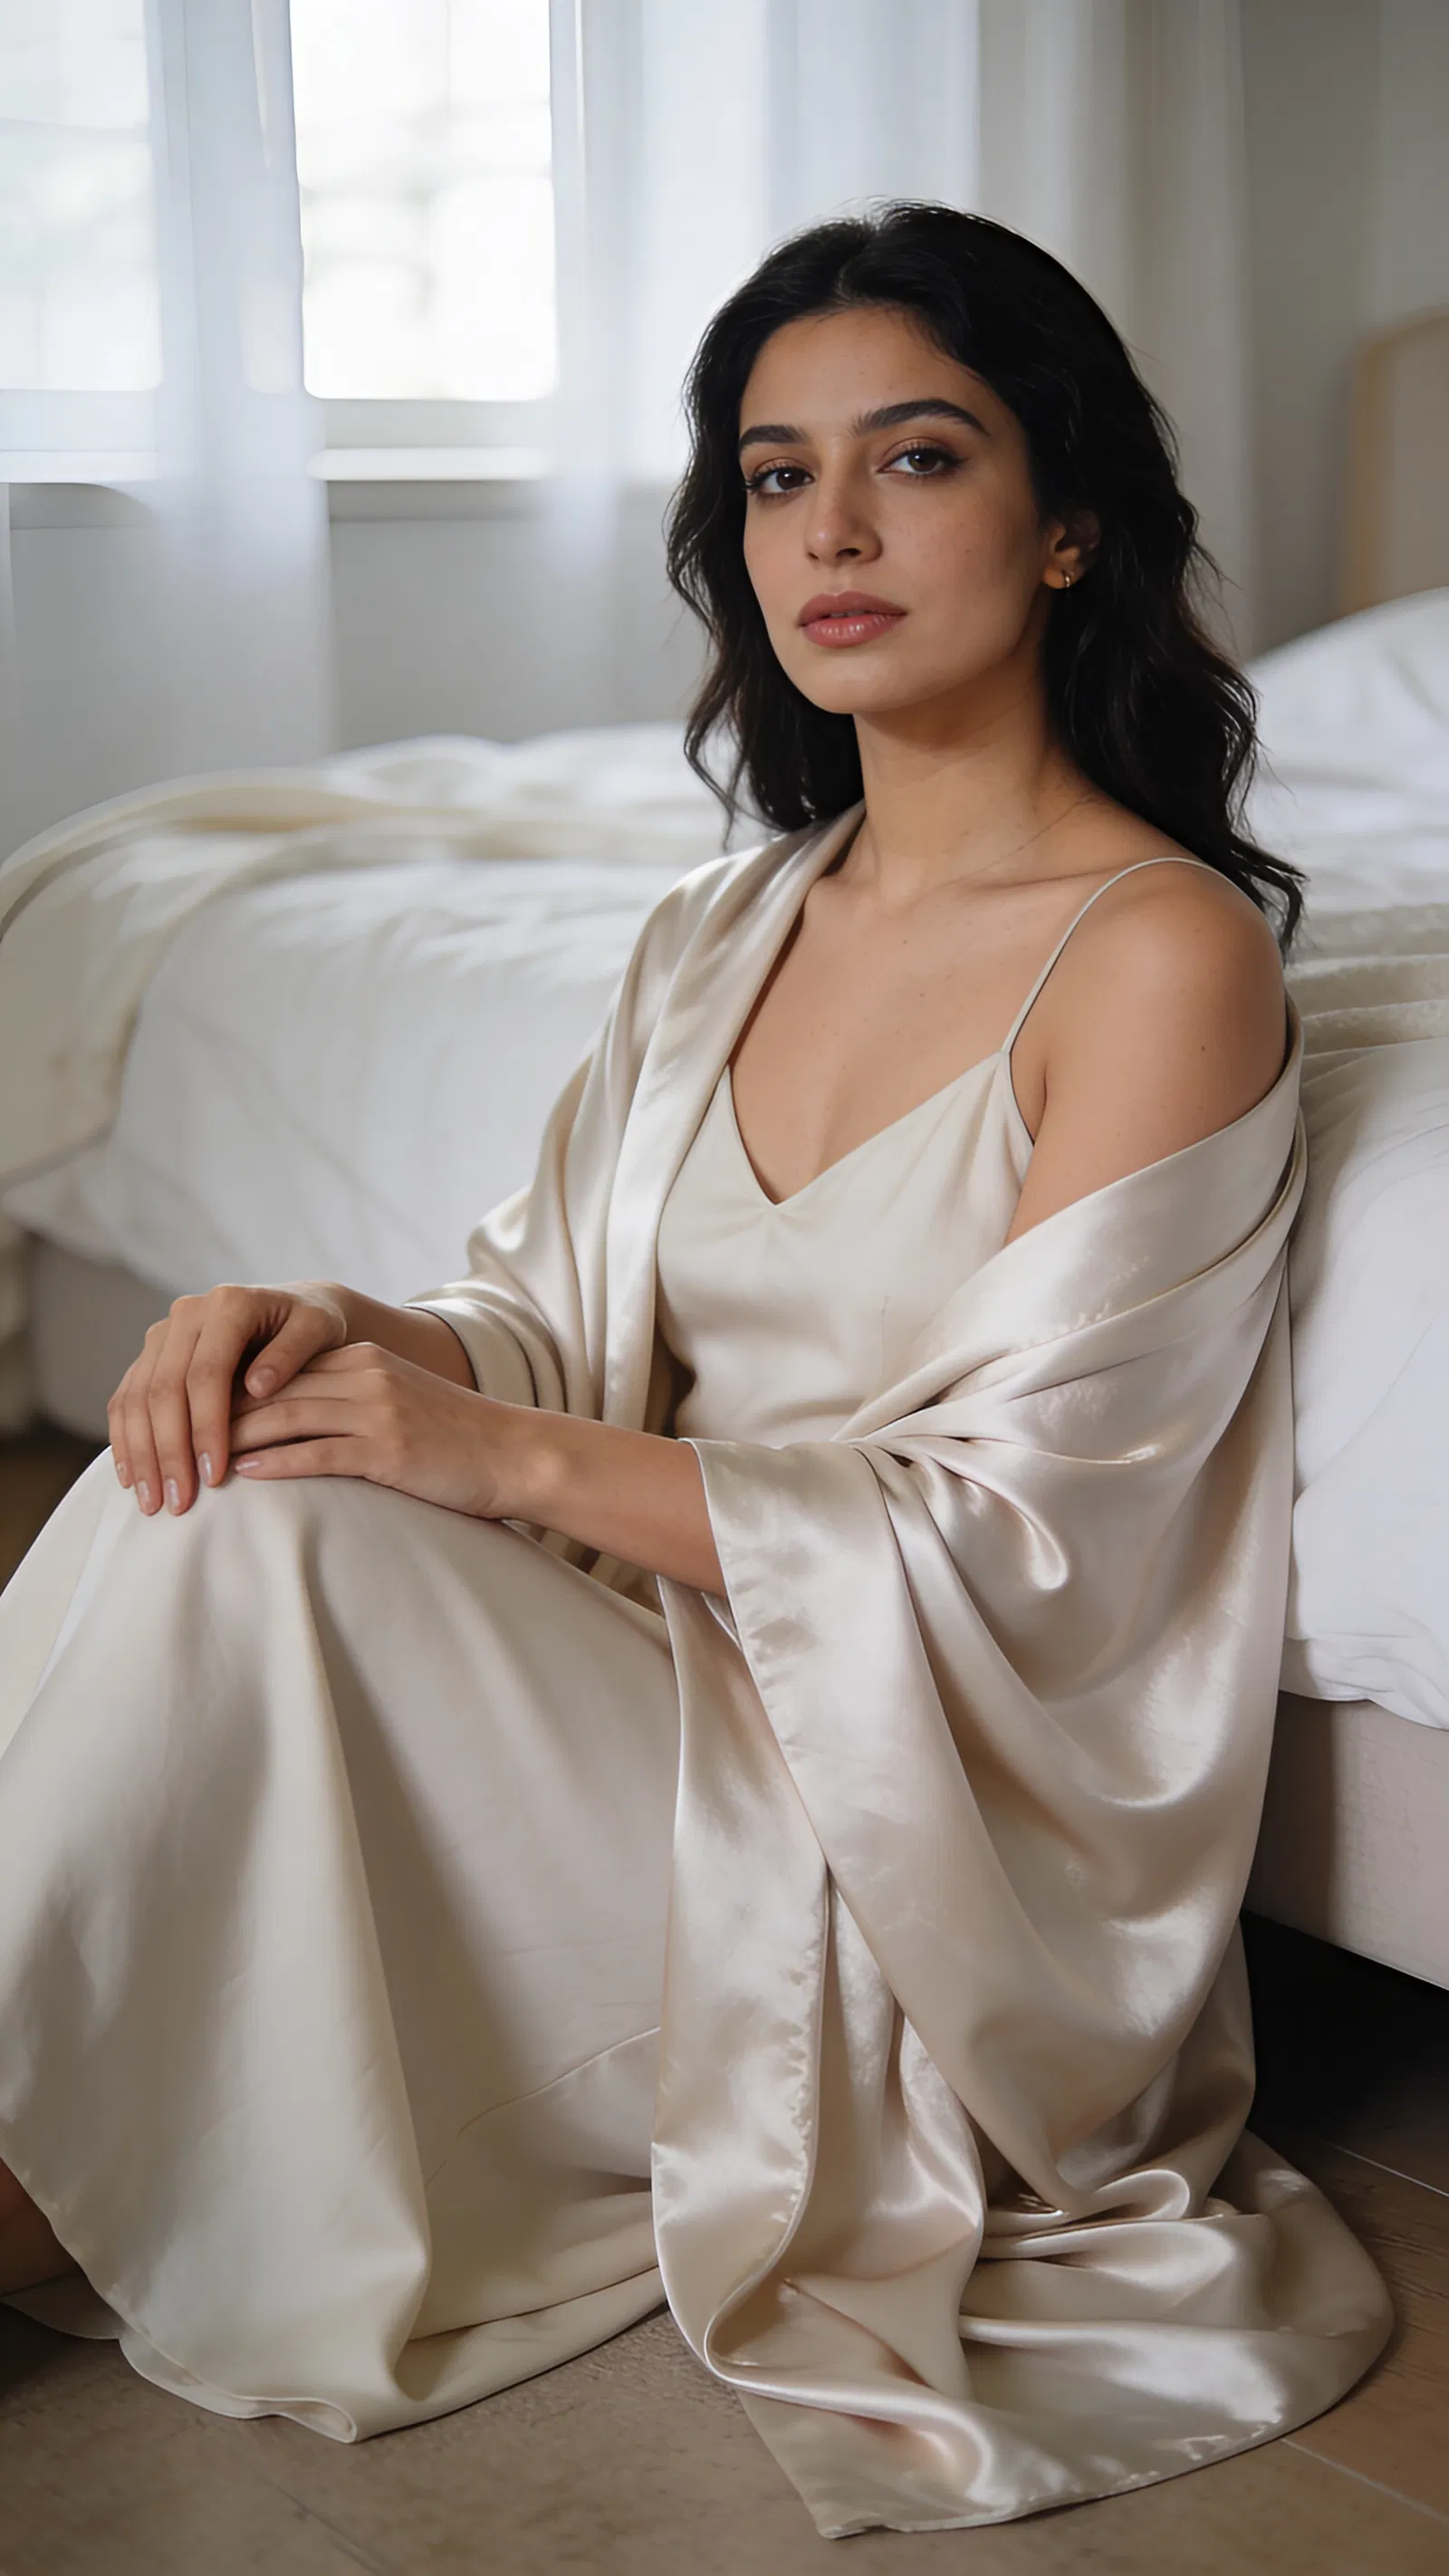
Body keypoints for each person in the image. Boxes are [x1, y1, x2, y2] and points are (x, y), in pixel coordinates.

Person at [0, 205, 1389, 2540]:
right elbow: (548, 1333)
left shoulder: (1160, 959)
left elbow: (1022, 1552)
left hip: (891, 1846)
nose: (830, 531)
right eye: (773, 474)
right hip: (641, 1697)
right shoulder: (722, 925)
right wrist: (339, 1335)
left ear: (1068, 522)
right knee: (228, 1462)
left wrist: (484, 1446)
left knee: (257, 1549)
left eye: (915, 457)